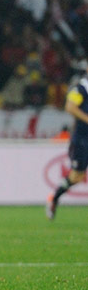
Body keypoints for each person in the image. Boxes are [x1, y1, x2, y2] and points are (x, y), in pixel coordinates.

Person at [46, 68, 88, 220]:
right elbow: (70, 107)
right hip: (83, 138)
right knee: (76, 176)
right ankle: (55, 197)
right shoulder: (81, 88)